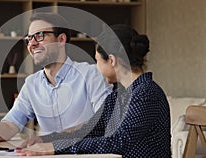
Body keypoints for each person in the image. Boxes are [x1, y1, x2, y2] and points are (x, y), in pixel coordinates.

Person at [15, 24, 171, 157]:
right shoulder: (117, 96)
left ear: (112, 60)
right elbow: (89, 129)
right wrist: (46, 140)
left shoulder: (147, 93)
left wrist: (56, 148)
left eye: (97, 60)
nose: (96, 67)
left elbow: (118, 141)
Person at [0, 12, 113, 145]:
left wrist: (50, 140)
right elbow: (10, 123)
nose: (31, 44)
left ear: (61, 40)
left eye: (39, 36)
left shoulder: (91, 75)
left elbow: (103, 121)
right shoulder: (32, 84)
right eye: (29, 38)